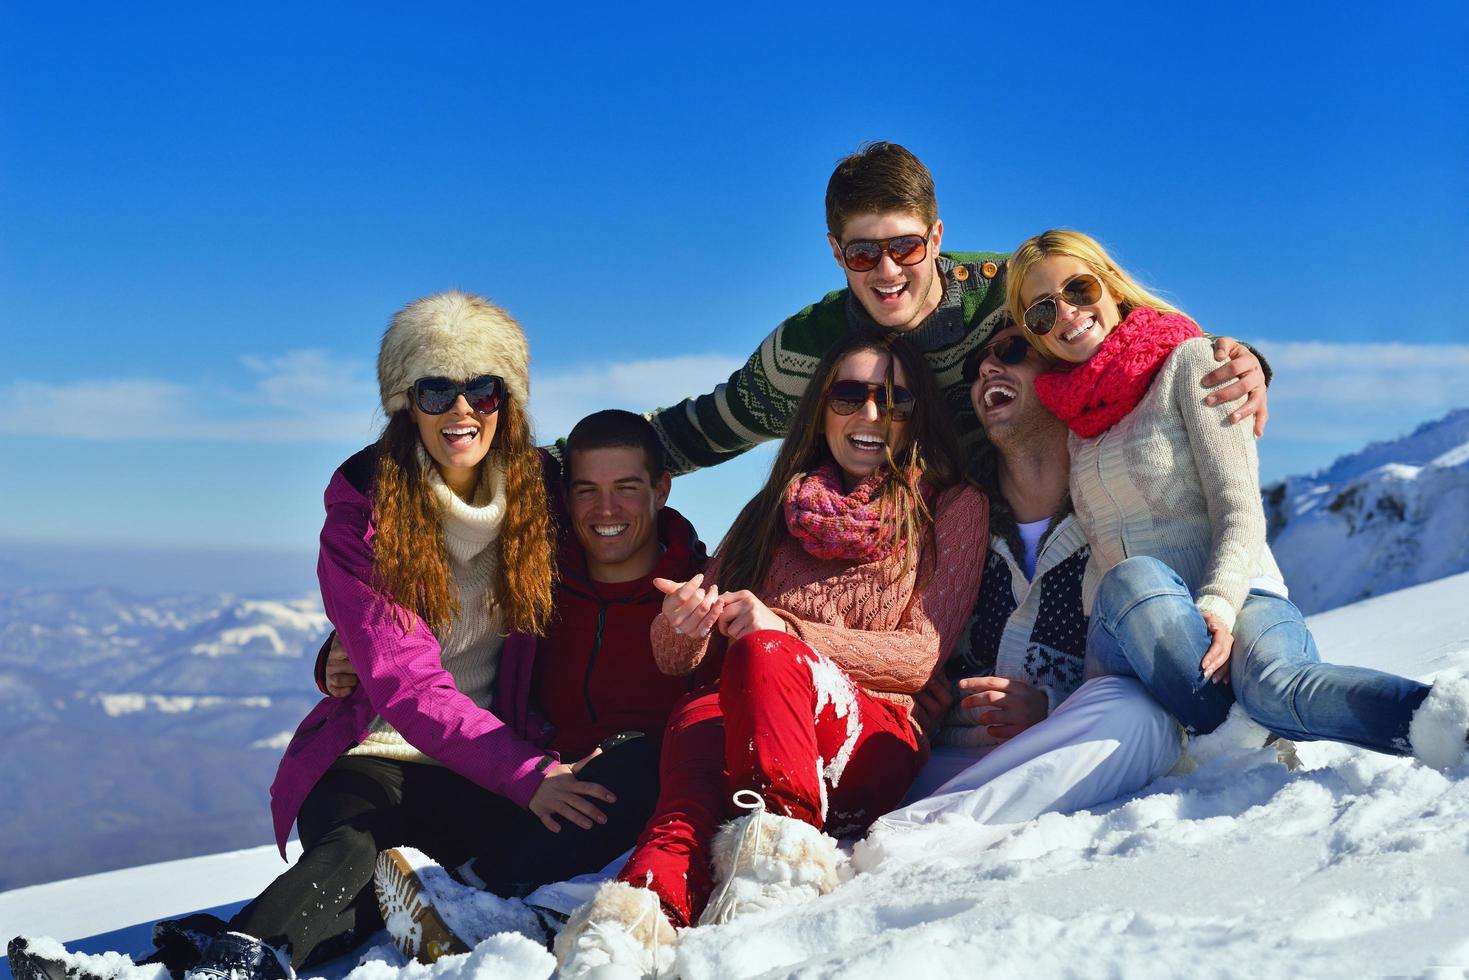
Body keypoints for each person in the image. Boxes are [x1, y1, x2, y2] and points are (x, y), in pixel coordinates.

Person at [11, 290, 574, 980]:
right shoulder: (362, 514)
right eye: (435, 389)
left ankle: (174, 964)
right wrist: (525, 772)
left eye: (483, 388)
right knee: (354, 850)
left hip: (480, 768)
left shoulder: (547, 497)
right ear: (406, 403)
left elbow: (639, 473)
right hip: (374, 755)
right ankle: (225, 968)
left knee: (366, 896)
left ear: (506, 400)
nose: (461, 409)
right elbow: (405, 679)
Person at [552, 331, 990, 978]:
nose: (870, 415)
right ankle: (624, 935)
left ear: (916, 415)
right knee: (686, 794)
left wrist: (779, 630)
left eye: (893, 401)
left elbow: (918, 658)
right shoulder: (771, 509)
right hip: (738, 722)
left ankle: (776, 882)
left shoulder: (950, 507)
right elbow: (679, 661)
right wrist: (683, 624)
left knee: (762, 652)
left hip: (859, 741)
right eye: (849, 395)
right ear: (821, 409)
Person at [1004, 229, 1469, 770]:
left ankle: (1448, 725)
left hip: (1241, 592)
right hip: (1132, 628)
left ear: (1111, 286)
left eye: (1078, 288)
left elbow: (1240, 506)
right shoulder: (1072, 424)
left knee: (1275, 687)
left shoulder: (1195, 362)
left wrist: (1217, 606)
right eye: (1041, 312)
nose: (1065, 313)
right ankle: (1248, 735)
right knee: (1133, 577)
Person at [636, 141, 1269, 477]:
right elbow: (698, 430)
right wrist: (557, 467)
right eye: (863, 253)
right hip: (898, 558)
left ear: (936, 237)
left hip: (1051, 525)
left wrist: (1237, 358)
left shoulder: (1009, 295)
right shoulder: (807, 347)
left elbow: (1123, 330)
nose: (887, 271)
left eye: (906, 246)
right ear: (835, 252)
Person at [319, 410, 716, 944]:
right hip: (528, 784)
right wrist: (343, 651)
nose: (605, 509)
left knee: (643, 759)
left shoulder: (698, 593)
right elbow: (444, 621)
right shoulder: (536, 576)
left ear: (661, 489)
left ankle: (467, 894)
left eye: (626, 487)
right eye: (585, 490)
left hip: (638, 793)